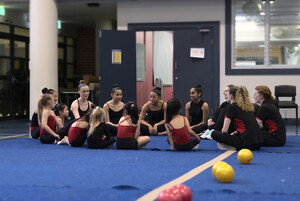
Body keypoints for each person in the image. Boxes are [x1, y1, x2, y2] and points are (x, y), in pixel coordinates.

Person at [211, 86, 263, 151]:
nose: (226, 95)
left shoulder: (231, 107)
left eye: (228, 94)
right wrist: (236, 133)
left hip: (247, 144)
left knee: (214, 133)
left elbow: (224, 130)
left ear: (231, 96)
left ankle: (233, 147)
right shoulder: (246, 107)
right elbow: (247, 126)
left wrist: (225, 139)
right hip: (258, 143)